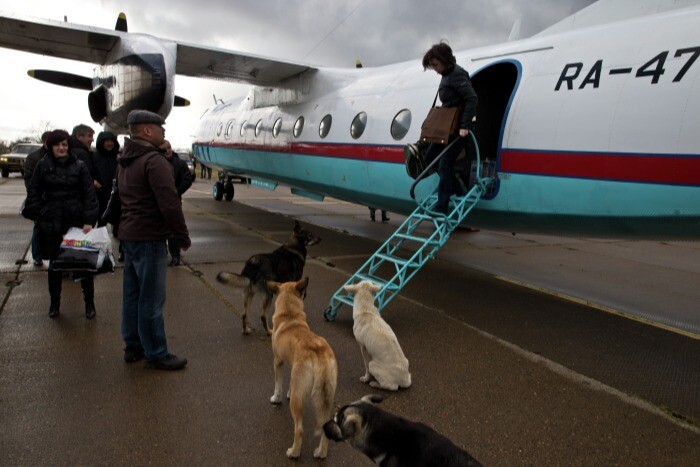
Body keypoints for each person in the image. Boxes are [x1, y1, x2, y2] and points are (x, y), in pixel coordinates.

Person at [118, 109, 191, 371]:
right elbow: (170, 204)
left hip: (130, 235)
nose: (164, 132)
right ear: (147, 130)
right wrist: (182, 236)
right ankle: (156, 352)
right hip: (149, 238)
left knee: (132, 296)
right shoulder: (154, 160)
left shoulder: (125, 159)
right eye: (160, 128)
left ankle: (133, 346)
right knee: (151, 300)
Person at [23, 130, 99, 319]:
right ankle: (54, 303)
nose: (61, 148)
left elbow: (89, 195)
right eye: (57, 144)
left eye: (64, 144)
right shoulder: (43, 165)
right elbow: (33, 192)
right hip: (52, 221)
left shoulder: (80, 166)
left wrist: (89, 220)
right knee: (55, 266)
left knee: (83, 264)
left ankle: (89, 303)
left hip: (75, 221)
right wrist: (41, 214)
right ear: (51, 146)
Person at [420, 42, 478, 216]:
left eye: (436, 65)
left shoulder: (457, 75)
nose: (435, 69)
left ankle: (441, 208)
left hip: (458, 129)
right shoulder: (446, 75)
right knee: (430, 157)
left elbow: (472, 99)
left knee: (445, 165)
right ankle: (458, 189)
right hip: (447, 127)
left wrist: (464, 126)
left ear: (445, 60)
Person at [160, 139, 193, 266]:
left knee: (173, 229)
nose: (167, 151)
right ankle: (162, 253)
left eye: (169, 148)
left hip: (173, 201)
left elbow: (187, 179)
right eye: (164, 149)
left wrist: (176, 192)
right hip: (158, 201)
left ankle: (175, 255)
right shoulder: (156, 163)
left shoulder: (179, 163)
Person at [23, 131, 50, 267]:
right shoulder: (34, 157)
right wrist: (34, 197)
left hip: (53, 198)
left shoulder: (57, 155)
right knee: (38, 227)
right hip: (40, 198)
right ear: (45, 141)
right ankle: (37, 256)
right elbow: (29, 179)